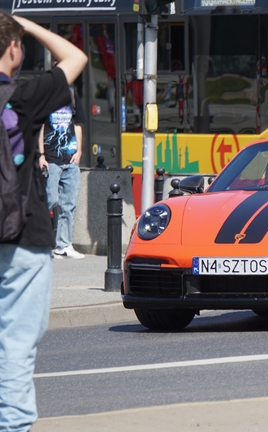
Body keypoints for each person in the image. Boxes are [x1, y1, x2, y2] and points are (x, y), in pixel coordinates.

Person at [0, 12, 87, 432]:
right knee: (16, 348)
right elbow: (74, 57)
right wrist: (25, 25)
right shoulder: (22, 96)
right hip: (23, 239)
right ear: (13, 50)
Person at [38, 81, 86, 259]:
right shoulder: (46, 98)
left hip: (70, 160)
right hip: (51, 159)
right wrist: (41, 155)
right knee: (49, 200)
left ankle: (63, 245)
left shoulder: (72, 97)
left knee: (68, 205)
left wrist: (79, 151)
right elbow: (40, 128)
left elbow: (78, 125)